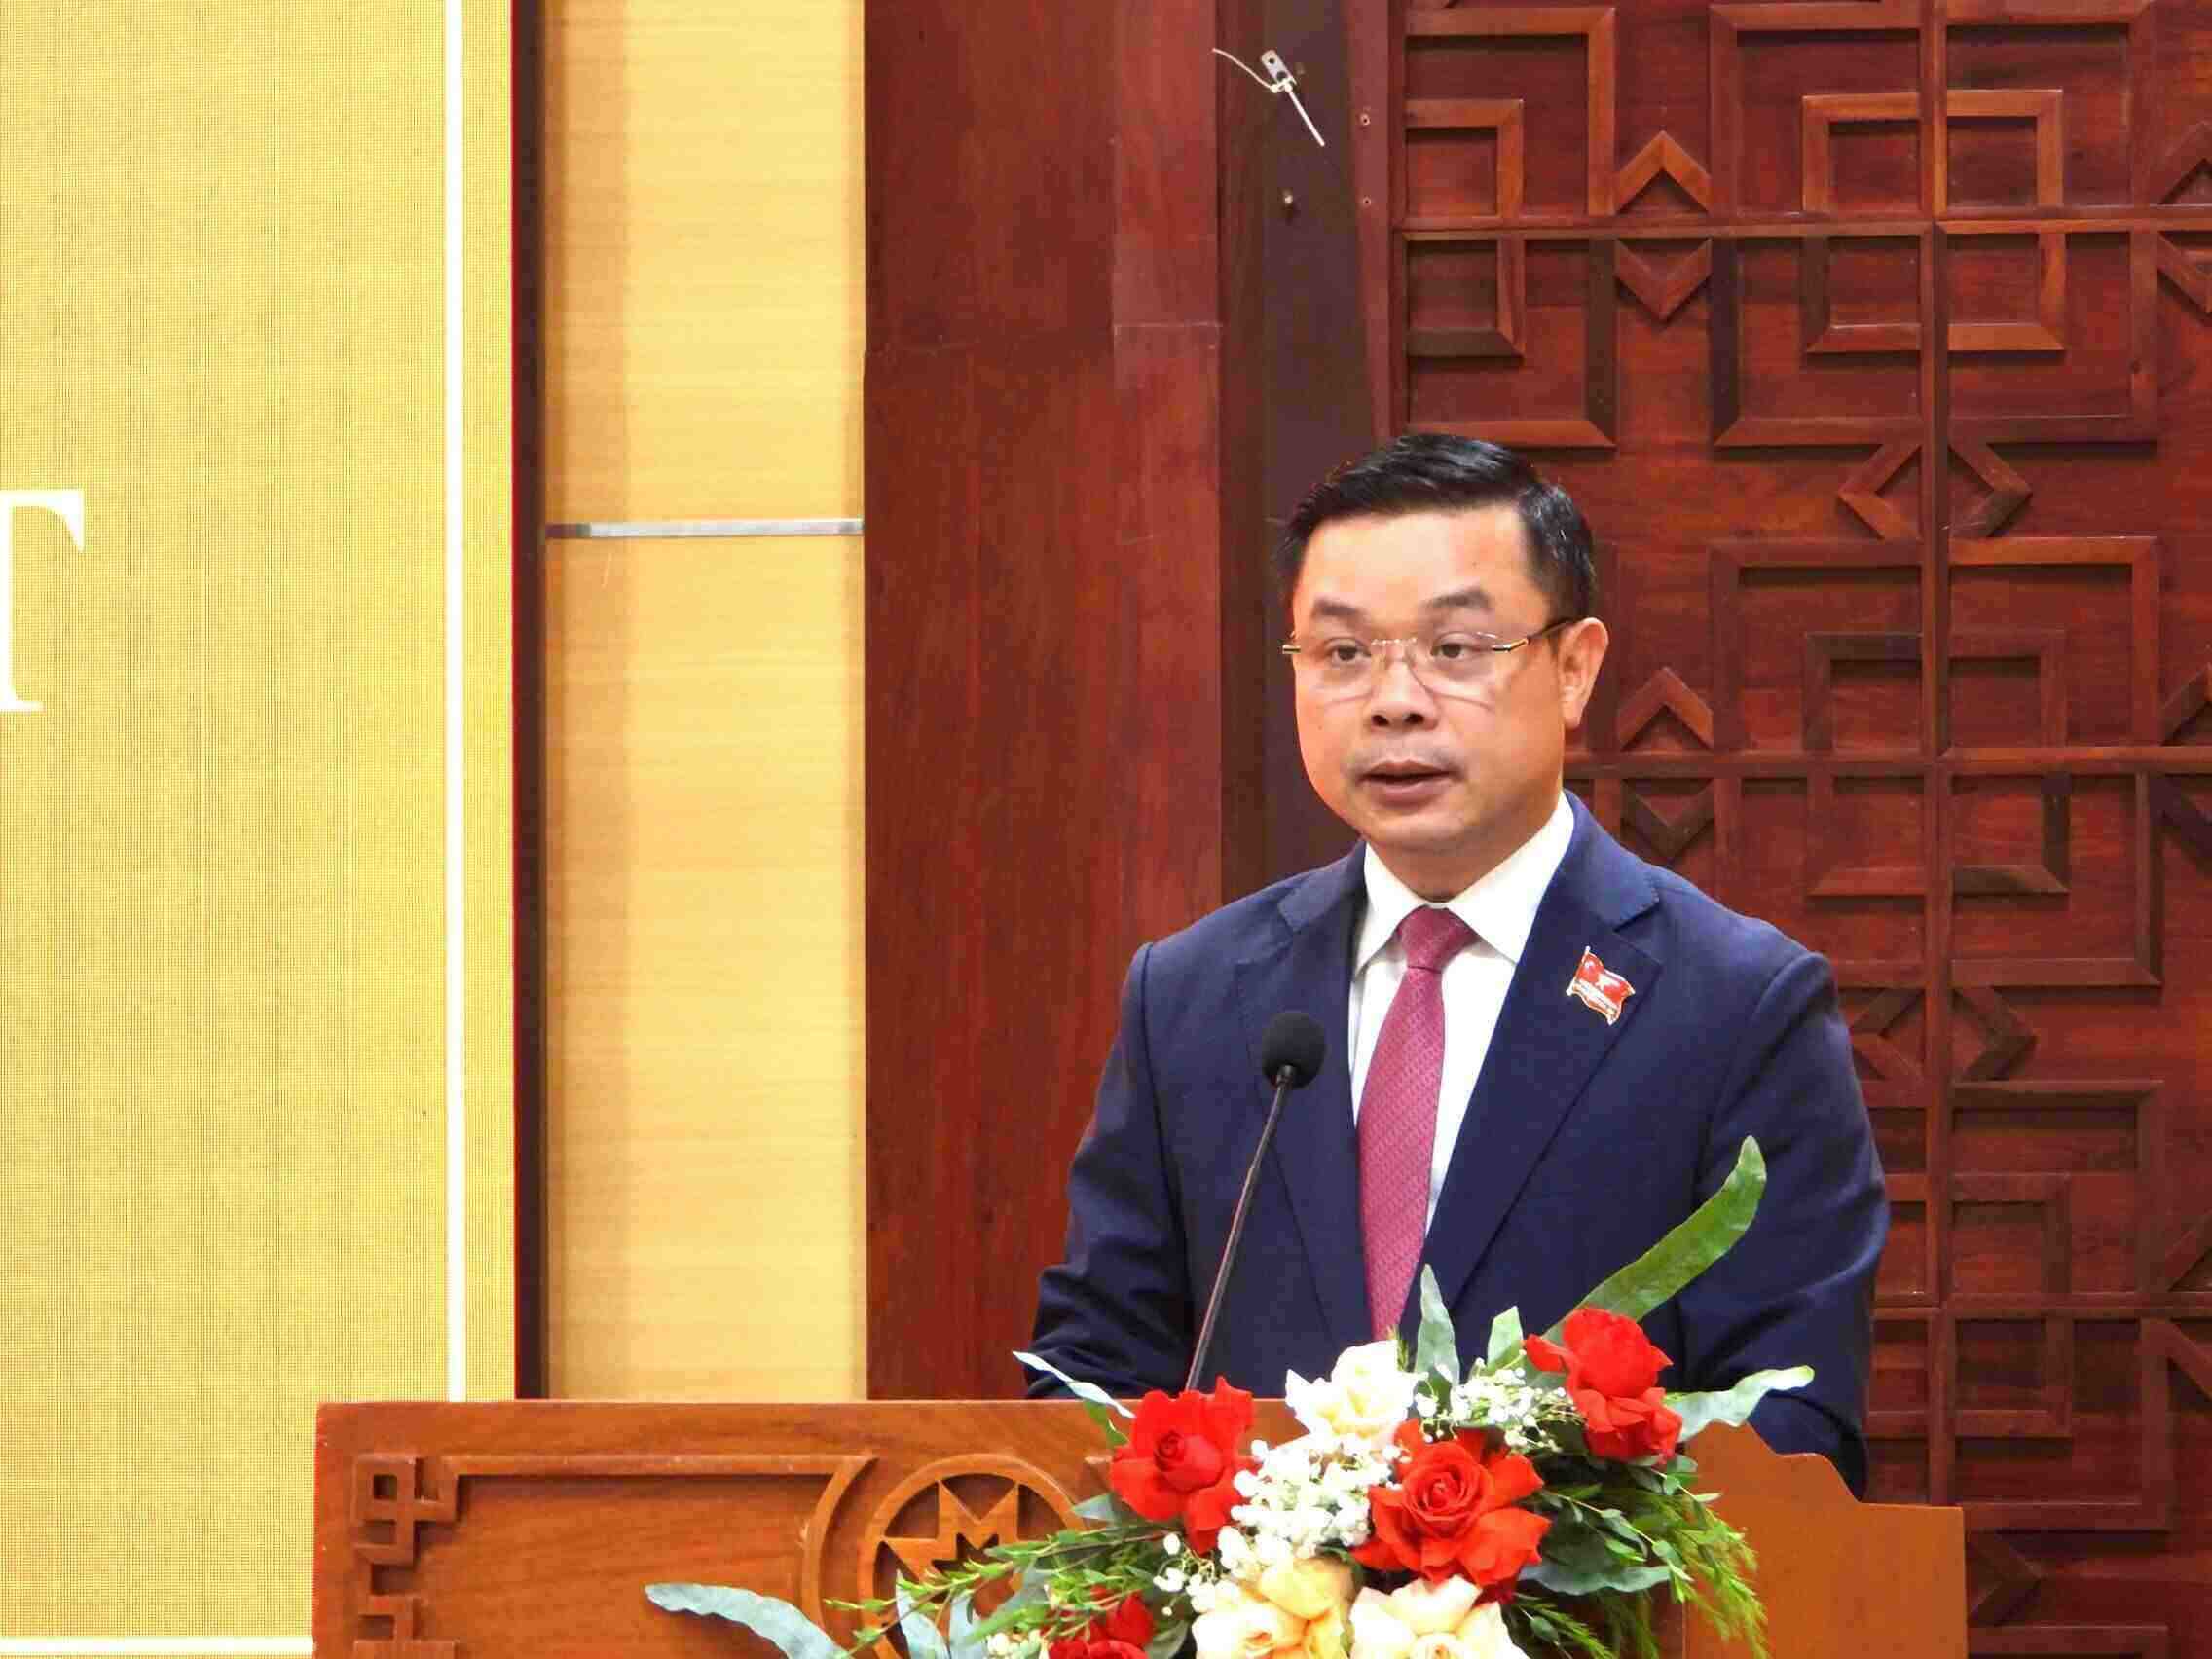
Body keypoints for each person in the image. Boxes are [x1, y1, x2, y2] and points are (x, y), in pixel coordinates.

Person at [1025, 433, 1888, 1494]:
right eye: (1342, 655)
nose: (1395, 700)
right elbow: (1094, 1378)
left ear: (1573, 669)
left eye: (1456, 650)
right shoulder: (1194, 997)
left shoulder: (1733, 1004)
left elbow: (1786, 1421)